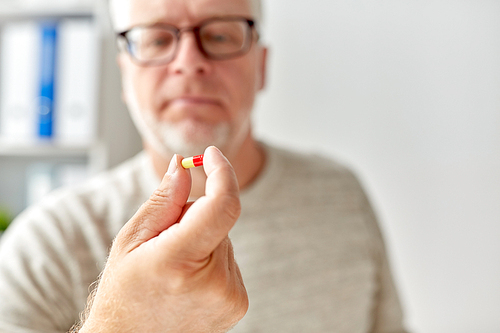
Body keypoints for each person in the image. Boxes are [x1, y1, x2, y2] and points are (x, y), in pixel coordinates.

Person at [0, 0, 408, 331]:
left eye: (219, 34)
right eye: (158, 40)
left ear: (262, 66)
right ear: (125, 74)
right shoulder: (45, 244)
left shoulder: (341, 197)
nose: (189, 62)